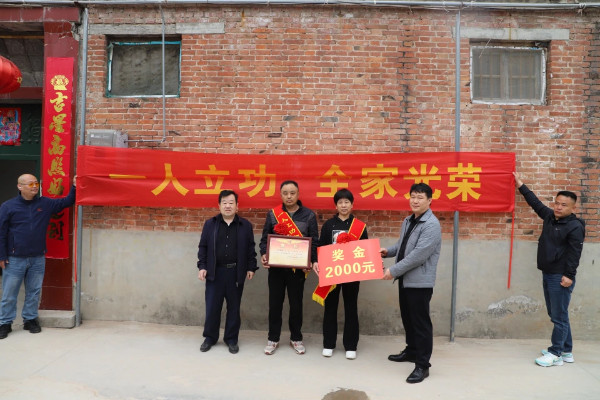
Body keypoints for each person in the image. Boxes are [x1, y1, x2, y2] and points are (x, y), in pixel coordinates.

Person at [513, 172, 585, 367]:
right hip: (548, 272)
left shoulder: (575, 226)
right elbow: (535, 203)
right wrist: (521, 185)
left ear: (573, 208)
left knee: (558, 316)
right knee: (557, 314)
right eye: (557, 203)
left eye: (564, 205)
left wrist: (569, 276)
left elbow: (575, 253)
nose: (558, 207)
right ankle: (566, 351)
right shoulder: (550, 217)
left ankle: (555, 353)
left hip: (560, 276)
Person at [0, 174, 76, 339]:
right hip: (14, 258)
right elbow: (1, 232)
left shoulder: (45, 204)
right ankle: (5, 323)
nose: (35, 186)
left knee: (34, 291)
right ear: (20, 186)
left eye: (36, 183)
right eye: (30, 184)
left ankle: (30, 319)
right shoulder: (8, 207)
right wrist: (2, 255)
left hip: (37, 257)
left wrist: (75, 186)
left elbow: (67, 201)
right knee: (9, 293)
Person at [380, 182, 441, 384]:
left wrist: (393, 271)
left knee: (421, 324)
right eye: (413, 196)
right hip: (405, 280)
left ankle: (422, 365)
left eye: (420, 197)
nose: (415, 201)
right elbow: (402, 245)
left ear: (429, 201)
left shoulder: (431, 225)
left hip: (420, 283)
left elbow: (418, 255)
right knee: (408, 319)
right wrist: (387, 252)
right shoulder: (409, 220)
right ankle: (412, 351)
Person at [259, 180, 318, 355]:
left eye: (292, 193)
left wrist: (310, 261)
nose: (289, 196)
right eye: (285, 193)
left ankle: (296, 338)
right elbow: (264, 240)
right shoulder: (273, 214)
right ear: (281, 195)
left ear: (298, 194)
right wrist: (264, 254)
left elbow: (314, 241)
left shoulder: (309, 215)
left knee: (296, 305)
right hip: (276, 269)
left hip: (297, 270)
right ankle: (273, 338)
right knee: (275, 304)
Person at [197, 190, 257, 354]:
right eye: (224, 203)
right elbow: (203, 247)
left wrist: (251, 267)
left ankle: (231, 339)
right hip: (214, 273)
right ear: (219, 205)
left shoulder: (245, 225)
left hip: (235, 272)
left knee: (234, 308)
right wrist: (202, 266)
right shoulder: (210, 224)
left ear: (237, 206)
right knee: (212, 307)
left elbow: (250, 248)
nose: (228, 206)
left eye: (231, 203)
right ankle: (210, 338)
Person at [316, 188, 367, 360]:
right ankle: (328, 344)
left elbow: (365, 250)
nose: (343, 205)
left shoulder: (359, 226)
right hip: (332, 273)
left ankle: (351, 345)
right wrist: (317, 262)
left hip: (352, 273)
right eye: (340, 202)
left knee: (351, 308)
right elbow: (321, 247)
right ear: (336, 206)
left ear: (352, 205)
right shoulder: (328, 225)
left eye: (347, 202)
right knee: (330, 307)